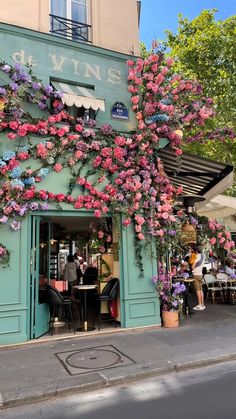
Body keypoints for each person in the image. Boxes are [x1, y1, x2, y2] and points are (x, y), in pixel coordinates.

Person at [190, 246, 206, 311]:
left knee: (197, 290)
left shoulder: (196, 256)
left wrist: (191, 266)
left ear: (196, 251)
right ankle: (202, 304)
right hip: (200, 274)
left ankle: (199, 304)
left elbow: (193, 266)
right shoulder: (203, 257)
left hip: (196, 275)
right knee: (201, 290)